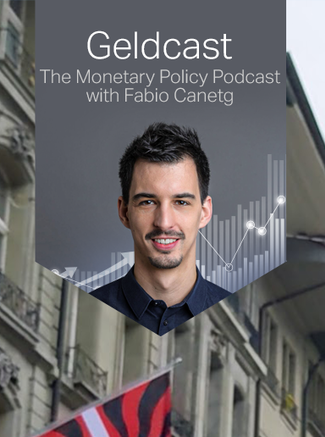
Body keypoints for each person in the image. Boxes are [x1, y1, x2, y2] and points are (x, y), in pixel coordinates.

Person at [91, 122, 230, 336]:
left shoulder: (220, 308)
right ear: (124, 212)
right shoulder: (95, 301)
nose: (164, 222)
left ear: (204, 212)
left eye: (181, 202)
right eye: (147, 202)